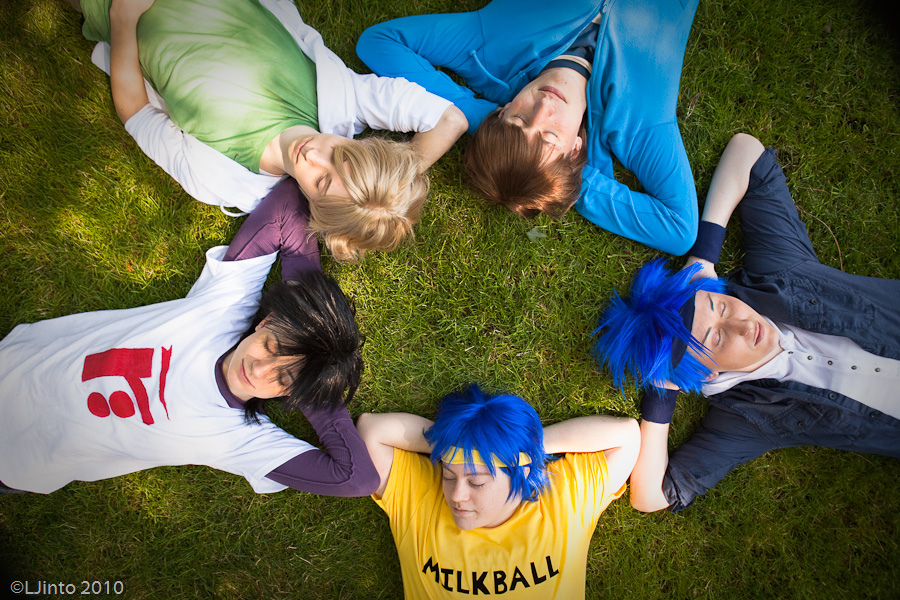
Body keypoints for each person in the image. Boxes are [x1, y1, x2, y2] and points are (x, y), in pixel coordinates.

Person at [0, 179, 379, 497]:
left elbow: (357, 478)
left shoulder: (239, 439)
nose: (258, 369)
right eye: (272, 346)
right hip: (14, 364)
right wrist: (305, 313)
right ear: (266, 322)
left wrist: (313, 384)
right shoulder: (225, 307)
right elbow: (288, 203)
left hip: (15, 459)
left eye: (281, 377)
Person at [592, 133, 900, 512]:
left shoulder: (777, 275)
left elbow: (747, 152)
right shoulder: (746, 416)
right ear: (707, 374)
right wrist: (663, 384)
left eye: (721, 307)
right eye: (716, 340)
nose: (742, 323)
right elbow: (650, 496)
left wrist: (703, 256)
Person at [74, 0, 468, 262]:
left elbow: (137, 115)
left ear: (315, 207)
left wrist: (123, 18)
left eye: (321, 182)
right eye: (340, 154)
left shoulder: (223, 179)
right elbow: (450, 120)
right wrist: (397, 176)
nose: (313, 155)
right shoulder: (347, 97)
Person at [357, 0, 699, 255]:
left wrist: (473, 115)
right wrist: (566, 184)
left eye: (518, 121)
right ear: (575, 150)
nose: (544, 107)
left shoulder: (489, 48)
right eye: (549, 136)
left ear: (502, 111)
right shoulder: (639, 120)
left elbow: (379, 41)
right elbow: (679, 229)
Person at [357, 384, 639, 598]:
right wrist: (451, 443)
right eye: (449, 475)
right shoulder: (421, 497)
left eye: (477, 482)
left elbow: (625, 436)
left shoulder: (563, 502)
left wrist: (522, 448)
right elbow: (372, 430)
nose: (456, 495)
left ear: (522, 471)